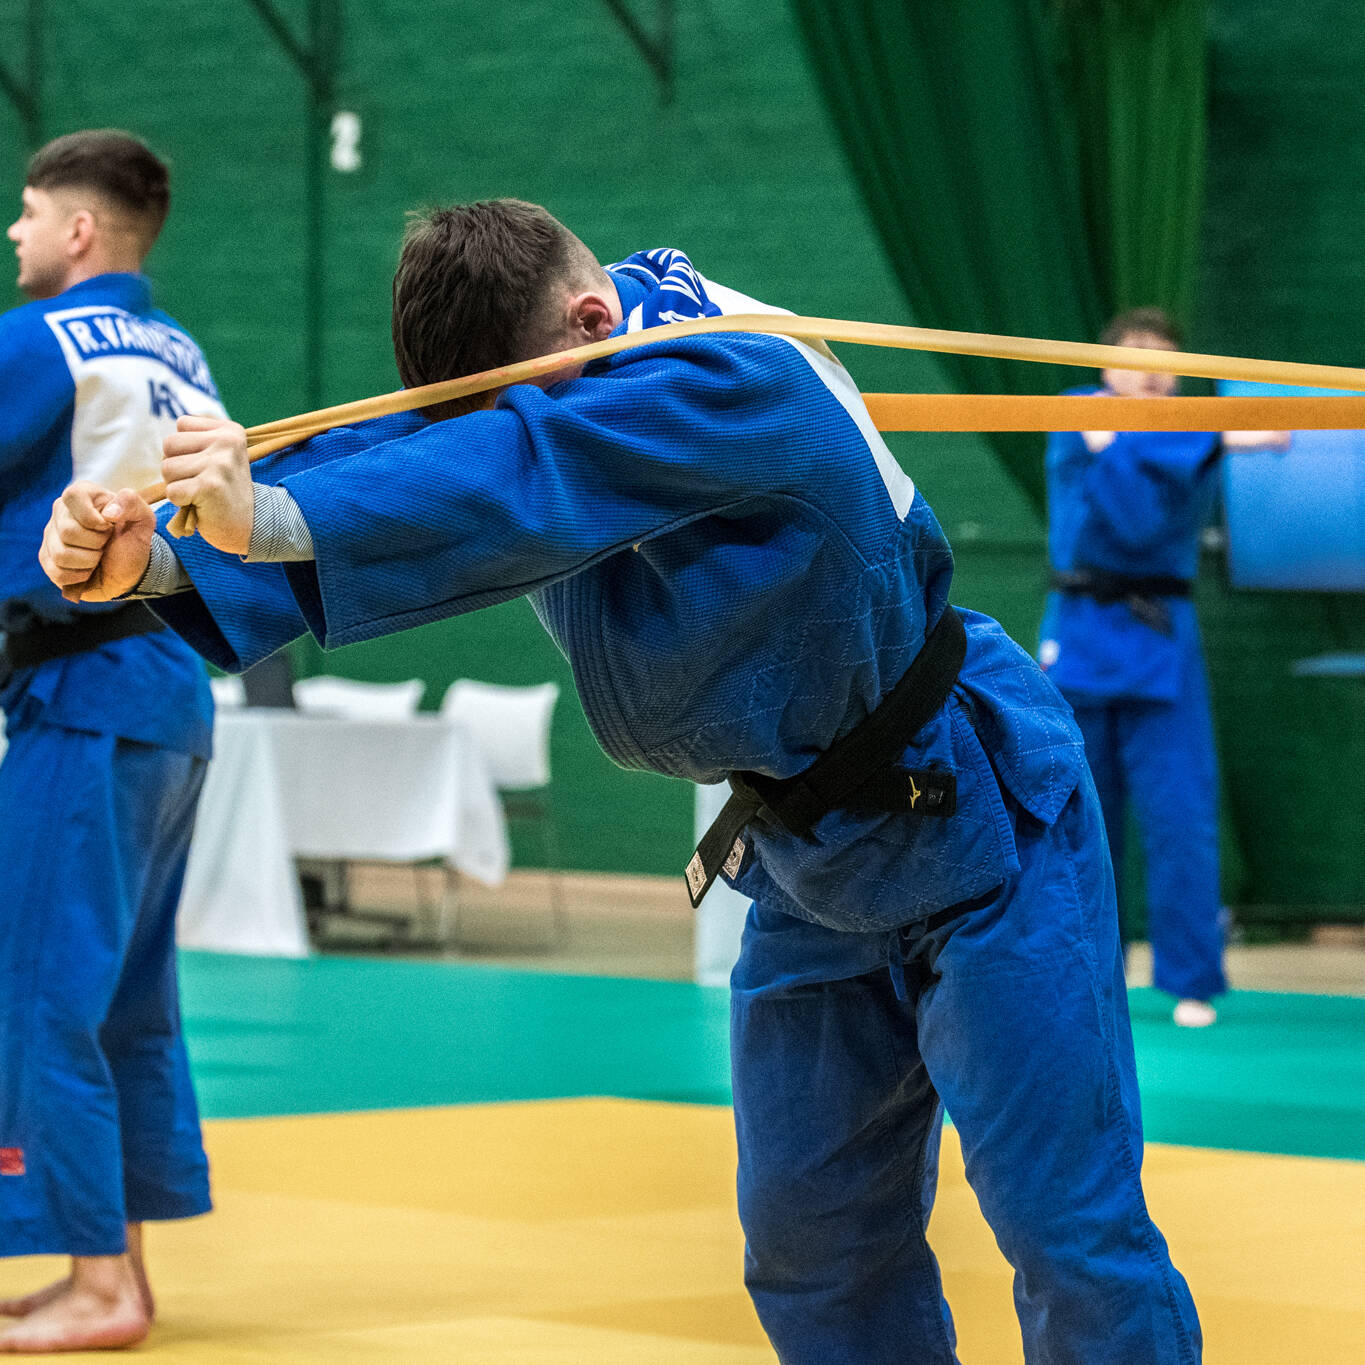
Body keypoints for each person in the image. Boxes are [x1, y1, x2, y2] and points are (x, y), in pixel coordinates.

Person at [41, 201, 1203, 1363]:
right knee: (813, 1249)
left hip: (972, 809)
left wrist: (268, 515)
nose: (507, 422)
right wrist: (163, 554)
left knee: (1067, 1229)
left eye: (521, 402)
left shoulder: (736, 374)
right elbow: (424, 449)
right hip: (805, 856)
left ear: (595, 319)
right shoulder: (561, 368)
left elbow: (519, 464)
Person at [0, 130, 218, 1353]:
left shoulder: (39, 341)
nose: (16, 232)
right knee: (122, 995)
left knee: (40, 985)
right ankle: (116, 1269)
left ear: (79, 229)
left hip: (82, 691)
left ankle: (97, 1280)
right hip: (171, 688)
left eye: (29, 212)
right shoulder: (181, 354)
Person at [1038, 307, 1281, 1029]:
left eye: (1163, 358)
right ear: (1103, 364)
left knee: (1180, 814)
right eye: (1134, 354)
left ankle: (1190, 977)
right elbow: (1124, 504)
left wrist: (1136, 442)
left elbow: (1271, 432)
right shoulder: (1075, 407)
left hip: (1161, 639)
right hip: (1078, 634)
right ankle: (1083, 974)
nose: (1148, 369)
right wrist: (1208, 438)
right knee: (1075, 814)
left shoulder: (1188, 422)